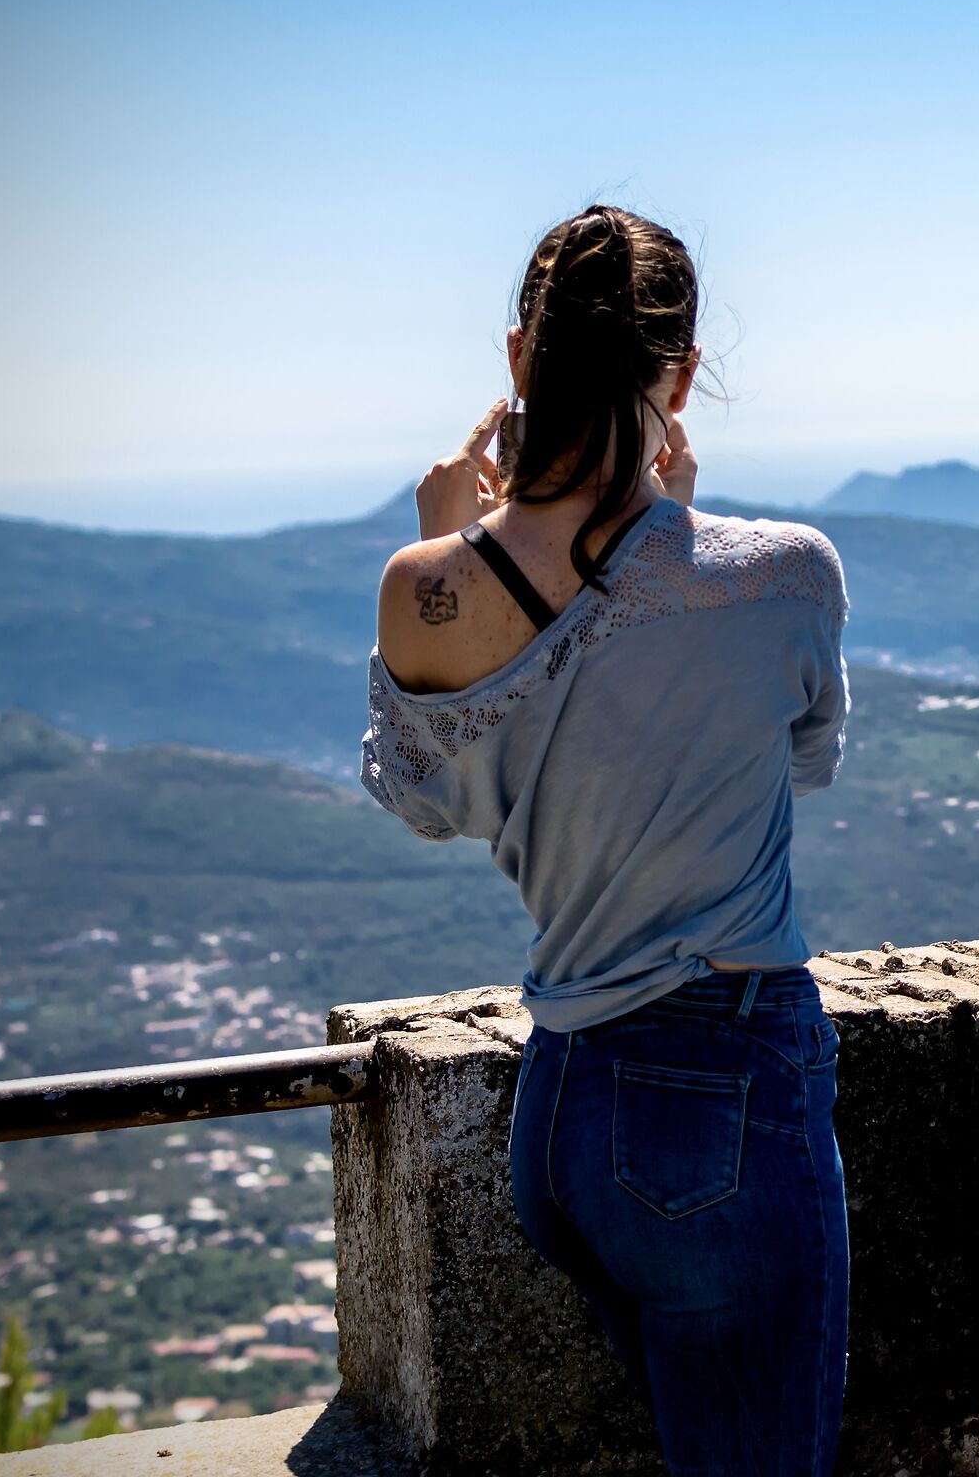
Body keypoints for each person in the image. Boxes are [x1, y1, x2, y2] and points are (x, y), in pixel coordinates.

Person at [358, 204, 851, 1476]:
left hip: (563, 1103)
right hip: (724, 1096)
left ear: (520, 357)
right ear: (681, 375)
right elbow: (804, 761)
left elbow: (427, 803)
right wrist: (676, 529)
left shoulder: (426, 587)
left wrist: (447, 538)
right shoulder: (785, 573)